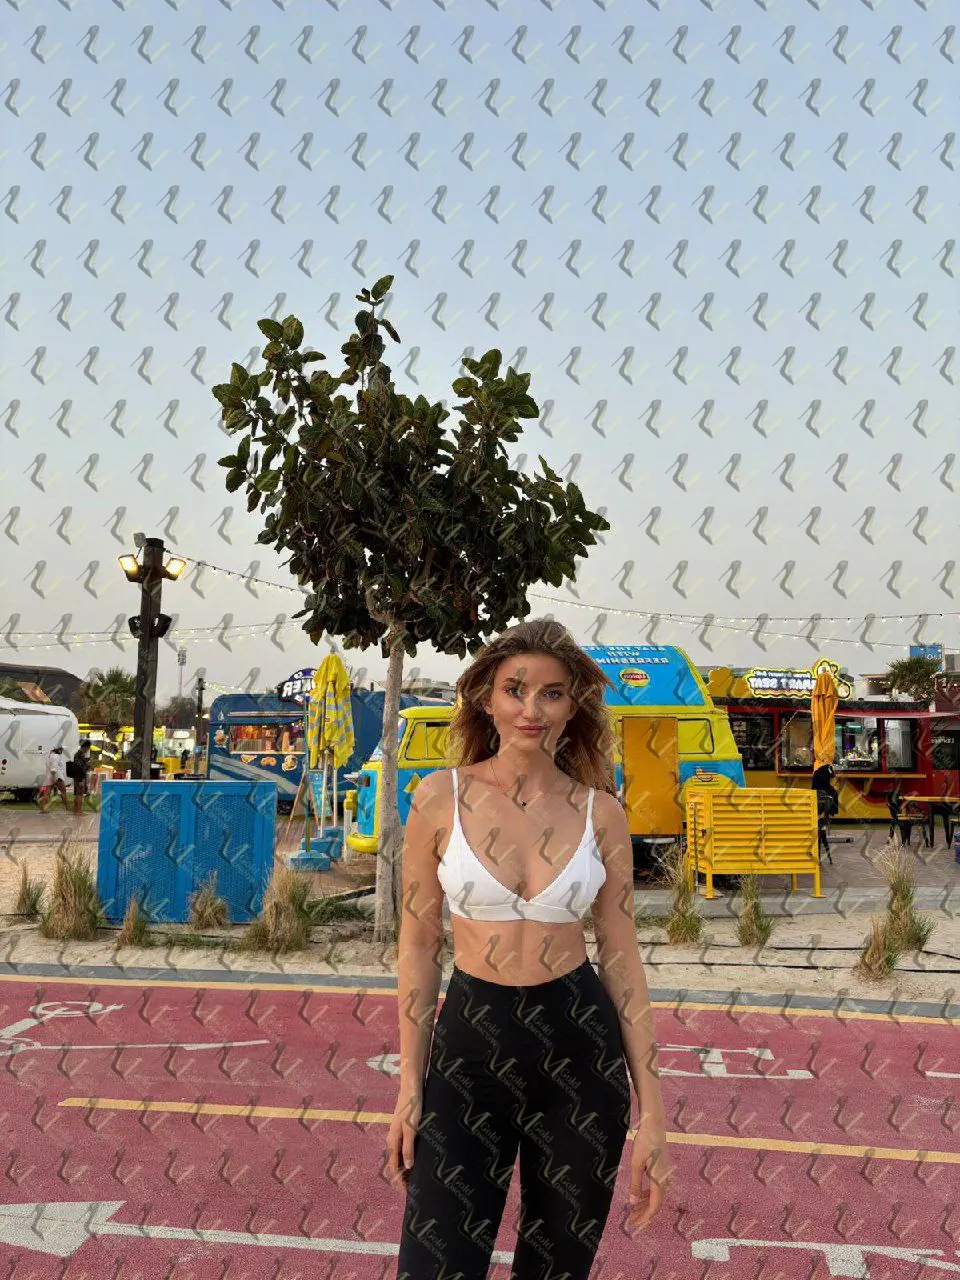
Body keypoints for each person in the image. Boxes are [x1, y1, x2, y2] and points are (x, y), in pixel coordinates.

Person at [390, 619, 671, 1279]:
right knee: (434, 1266)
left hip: (580, 1056)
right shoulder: (438, 798)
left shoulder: (602, 813)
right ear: (486, 698)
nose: (531, 709)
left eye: (552, 693)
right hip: (470, 1050)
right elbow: (419, 947)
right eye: (515, 690)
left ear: (573, 707)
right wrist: (408, 1087)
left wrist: (654, 1114)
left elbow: (622, 960)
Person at [38, 746, 69, 812]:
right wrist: (55, 779)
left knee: (46, 793)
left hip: (49, 777)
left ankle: (43, 809)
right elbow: (54, 769)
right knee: (63, 792)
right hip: (57, 777)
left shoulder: (49, 756)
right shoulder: (56, 756)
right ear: (58, 750)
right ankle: (67, 808)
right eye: (61, 749)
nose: (62, 751)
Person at [72, 739, 92, 815]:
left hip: (78, 776)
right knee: (79, 794)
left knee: (77, 793)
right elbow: (79, 768)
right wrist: (80, 780)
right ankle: (79, 811)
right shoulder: (79, 755)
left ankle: (75, 810)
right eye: (88, 747)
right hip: (79, 777)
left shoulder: (80, 755)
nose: (88, 749)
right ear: (86, 747)